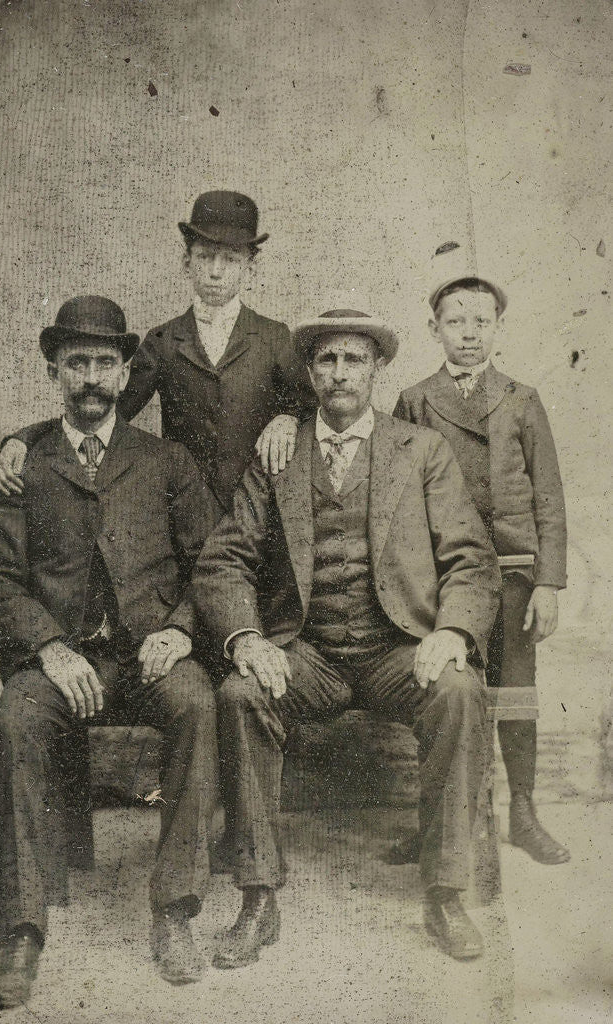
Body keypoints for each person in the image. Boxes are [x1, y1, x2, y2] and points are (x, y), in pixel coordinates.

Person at [191, 309, 502, 967]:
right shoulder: (278, 452)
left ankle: (446, 892)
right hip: (308, 652)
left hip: (397, 648)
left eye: (353, 360)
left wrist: (450, 630)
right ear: (309, 372)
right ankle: (257, 895)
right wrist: (248, 637)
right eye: (327, 360)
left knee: (459, 689)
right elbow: (224, 558)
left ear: (376, 369)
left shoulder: (420, 450)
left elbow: (471, 557)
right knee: (241, 693)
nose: (340, 374)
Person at [0, 296, 222, 1010]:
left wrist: (179, 630)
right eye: (76, 362)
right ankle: (20, 934)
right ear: (55, 370)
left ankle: (175, 910)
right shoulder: (30, 465)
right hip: (63, 665)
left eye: (103, 363)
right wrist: (48, 646)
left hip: (151, 658)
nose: (89, 376)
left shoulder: (166, 461)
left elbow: (214, 561)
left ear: (123, 373)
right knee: (17, 722)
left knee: (199, 704)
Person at [394, 255, 569, 865]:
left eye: (482, 321)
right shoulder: (414, 401)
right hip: (447, 578)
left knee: (516, 692)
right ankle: (435, 823)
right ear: (434, 329)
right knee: (444, 692)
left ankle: (522, 811)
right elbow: (397, 500)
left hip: (517, 571)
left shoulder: (523, 400)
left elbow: (549, 496)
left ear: (498, 327)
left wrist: (548, 582)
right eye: (455, 321)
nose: (469, 333)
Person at [0, 190, 314, 509]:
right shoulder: (163, 340)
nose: (216, 271)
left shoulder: (274, 337)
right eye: (205, 256)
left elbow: (313, 409)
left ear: (251, 268)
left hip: (256, 517)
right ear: (186, 262)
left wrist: (288, 417)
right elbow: (103, 411)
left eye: (230, 259)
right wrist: (25, 437)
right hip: (184, 514)